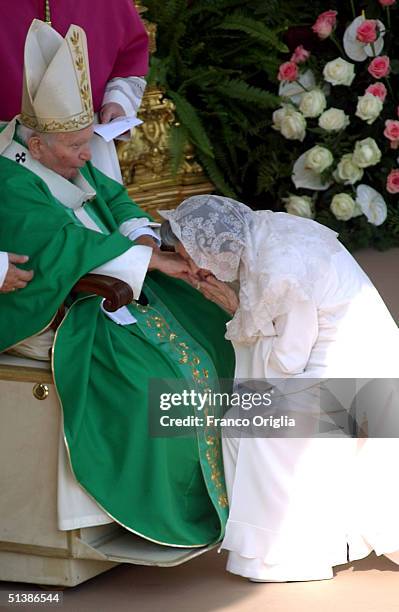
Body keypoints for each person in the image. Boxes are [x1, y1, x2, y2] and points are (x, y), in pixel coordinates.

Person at [0, 21, 234, 546]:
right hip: (66, 301)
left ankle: (241, 487)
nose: (89, 154)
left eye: (88, 142)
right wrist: (148, 264)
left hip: (115, 276)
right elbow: (60, 249)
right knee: (159, 382)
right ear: (35, 146)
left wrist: (143, 240)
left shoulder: (62, 148)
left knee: (216, 334)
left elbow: (114, 197)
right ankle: (168, 508)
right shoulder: (9, 180)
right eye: (78, 146)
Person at [159, 194, 399, 581]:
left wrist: (234, 310)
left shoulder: (278, 272)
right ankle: (267, 545)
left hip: (356, 380)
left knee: (250, 424)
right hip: (351, 362)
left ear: (213, 244)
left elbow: (287, 362)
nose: (189, 264)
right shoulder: (265, 231)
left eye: (189, 254)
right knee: (240, 421)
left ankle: (290, 553)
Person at [0, 0, 149, 181]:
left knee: (95, 207)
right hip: (7, 144)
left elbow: (130, 60)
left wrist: (117, 100)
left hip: (87, 143)